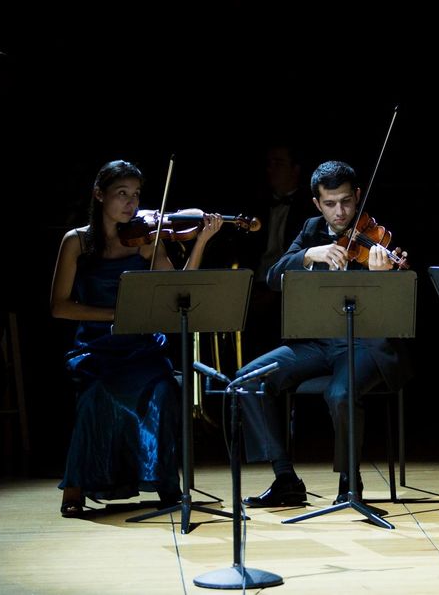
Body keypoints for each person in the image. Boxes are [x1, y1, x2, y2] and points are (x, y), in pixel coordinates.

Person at [50, 159, 223, 518]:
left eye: (137, 195)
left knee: (162, 390)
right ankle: (76, 485)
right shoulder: (76, 242)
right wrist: (118, 314)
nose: (131, 204)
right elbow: (60, 307)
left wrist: (201, 242)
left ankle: (163, 484)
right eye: (122, 194)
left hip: (141, 347)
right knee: (97, 396)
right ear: (99, 195)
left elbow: (180, 292)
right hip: (97, 348)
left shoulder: (147, 242)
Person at [237, 160, 409, 507]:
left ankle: (350, 483)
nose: (340, 212)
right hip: (317, 342)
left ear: (358, 196)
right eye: (330, 204)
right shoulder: (311, 229)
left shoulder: (376, 236)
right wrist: (307, 255)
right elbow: (272, 277)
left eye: (346, 201)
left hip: (365, 346)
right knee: (248, 379)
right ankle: (286, 479)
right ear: (317, 203)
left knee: (339, 392)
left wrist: (386, 276)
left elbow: (401, 308)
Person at [237, 145, 318, 360]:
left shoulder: (309, 211)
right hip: (256, 287)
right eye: (269, 164)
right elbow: (246, 254)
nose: (270, 169)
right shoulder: (257, 205)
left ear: (295, 169)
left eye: (278, 163)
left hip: (289, 292)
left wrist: (273, 294)